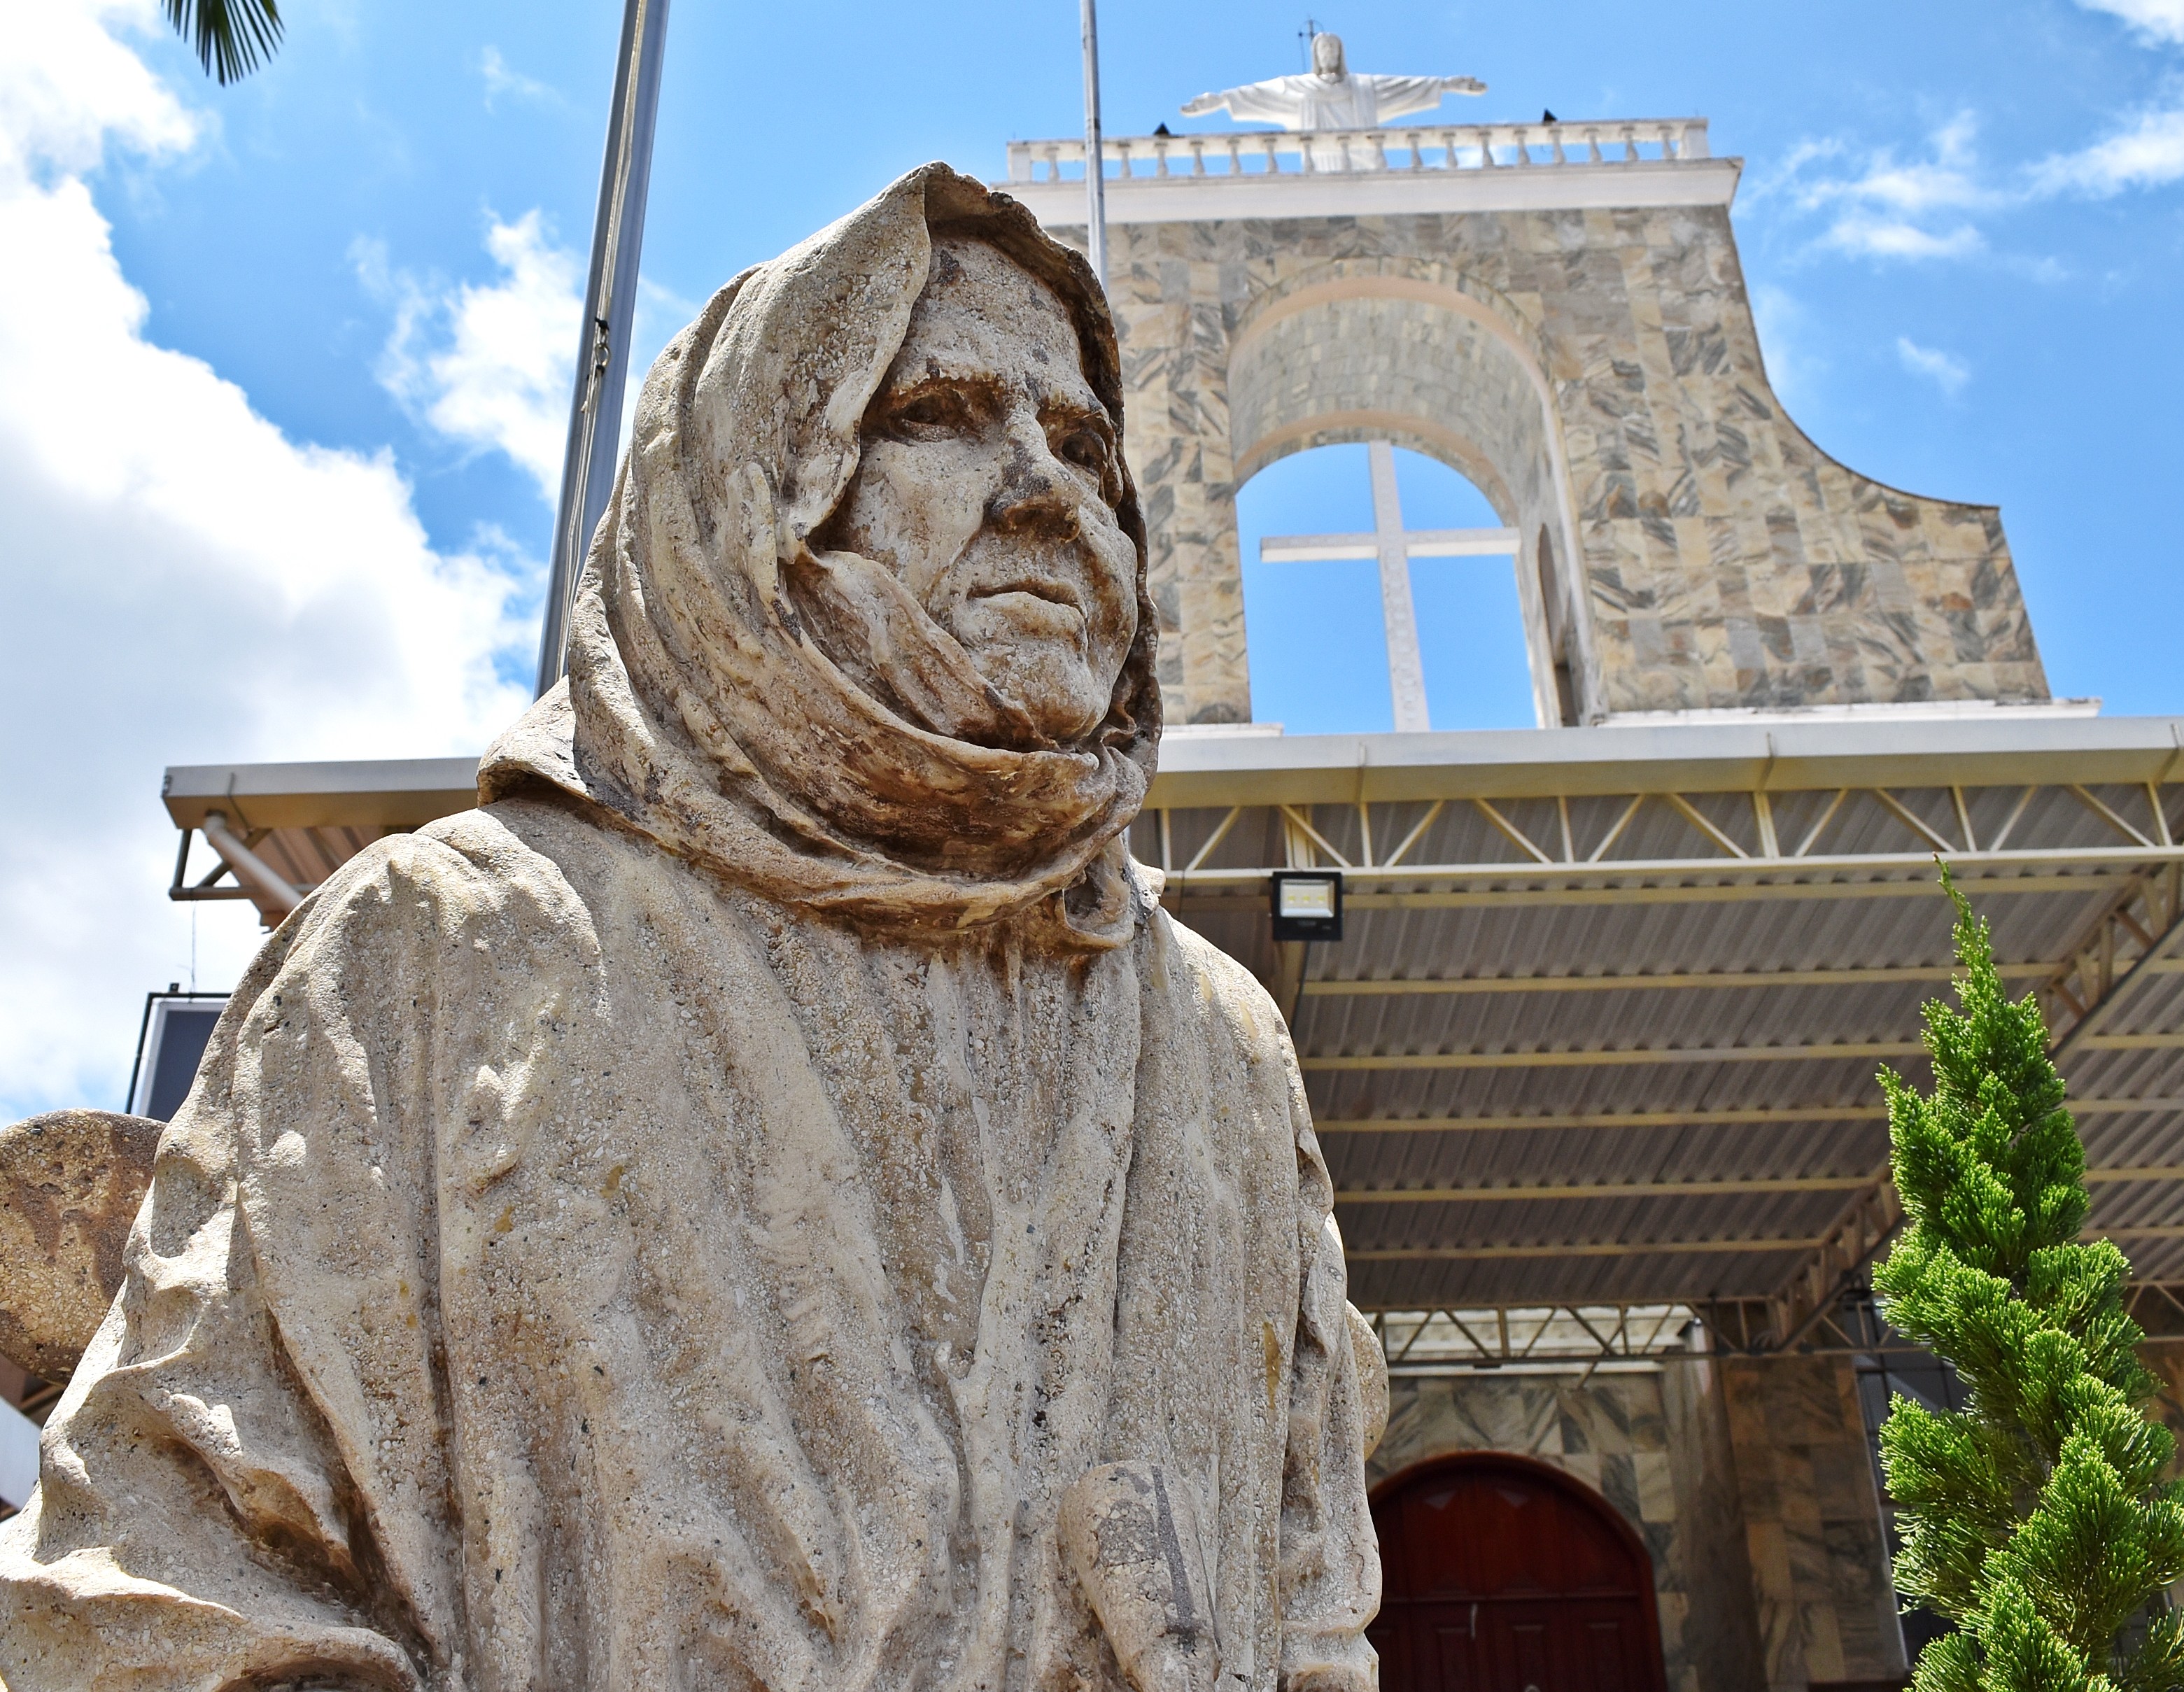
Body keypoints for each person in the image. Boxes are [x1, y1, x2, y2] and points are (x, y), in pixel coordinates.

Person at [0, 164, 1383, 1692]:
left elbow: (1313, 1598)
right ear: (749, 485)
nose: (1046, 486)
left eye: (1081, 442)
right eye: (936, 414)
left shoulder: (1221, 1049)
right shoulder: (438, 954)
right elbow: (159, 1589)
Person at [1182, 34, 1484, 170]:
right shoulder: (1301, 89)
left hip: (1365, 166)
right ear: (1315, 56)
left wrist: (1446, 86)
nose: (1328, 53)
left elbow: (1403, 88)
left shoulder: (1363, 87)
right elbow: (1261, 94)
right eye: (1323, 49)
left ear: (1340, 54)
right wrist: (1221, 101)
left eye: (1332, 48)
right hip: (1322, 167)